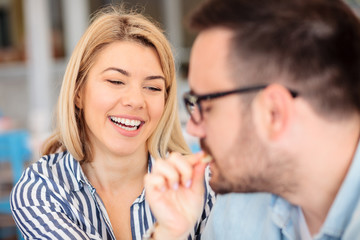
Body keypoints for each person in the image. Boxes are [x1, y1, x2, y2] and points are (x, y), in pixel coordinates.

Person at [144, 0, 360, 239]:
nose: (193, 128)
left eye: (204, 106)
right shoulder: (239, 202)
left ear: (273, 113)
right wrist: (167, 234)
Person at [10, 5, 214, 240]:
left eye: (153, 87)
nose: (136, 101)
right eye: (116, 81)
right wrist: (167, 233)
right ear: (78, 92)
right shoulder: (42, 188)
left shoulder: (201, 187)